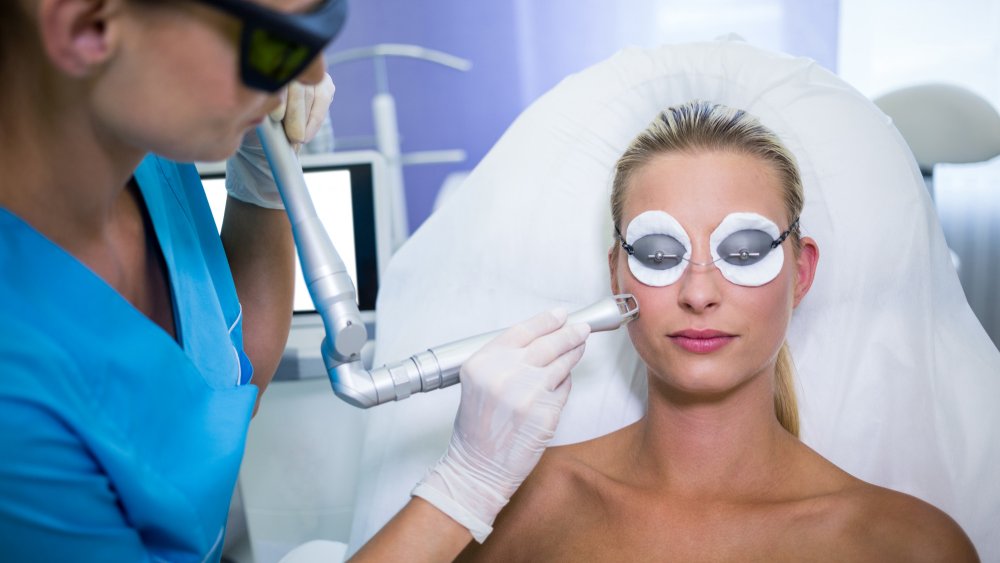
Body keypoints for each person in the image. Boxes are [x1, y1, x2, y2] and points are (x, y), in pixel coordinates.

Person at [0, 0, 589, 560]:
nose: (310, 72)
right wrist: (467, 486)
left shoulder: (139, 148)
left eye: (319, 22)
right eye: (275, 42)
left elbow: (225, 377)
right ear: (88, 27)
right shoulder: (16, 404)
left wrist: (261, 185)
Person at [457, 100, 980, 561]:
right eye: (659, 254)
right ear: (617, 272)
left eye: (746, 251)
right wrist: (461, 485)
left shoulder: (906, 545)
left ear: (801, 273)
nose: (698, 293)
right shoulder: (521, 503)